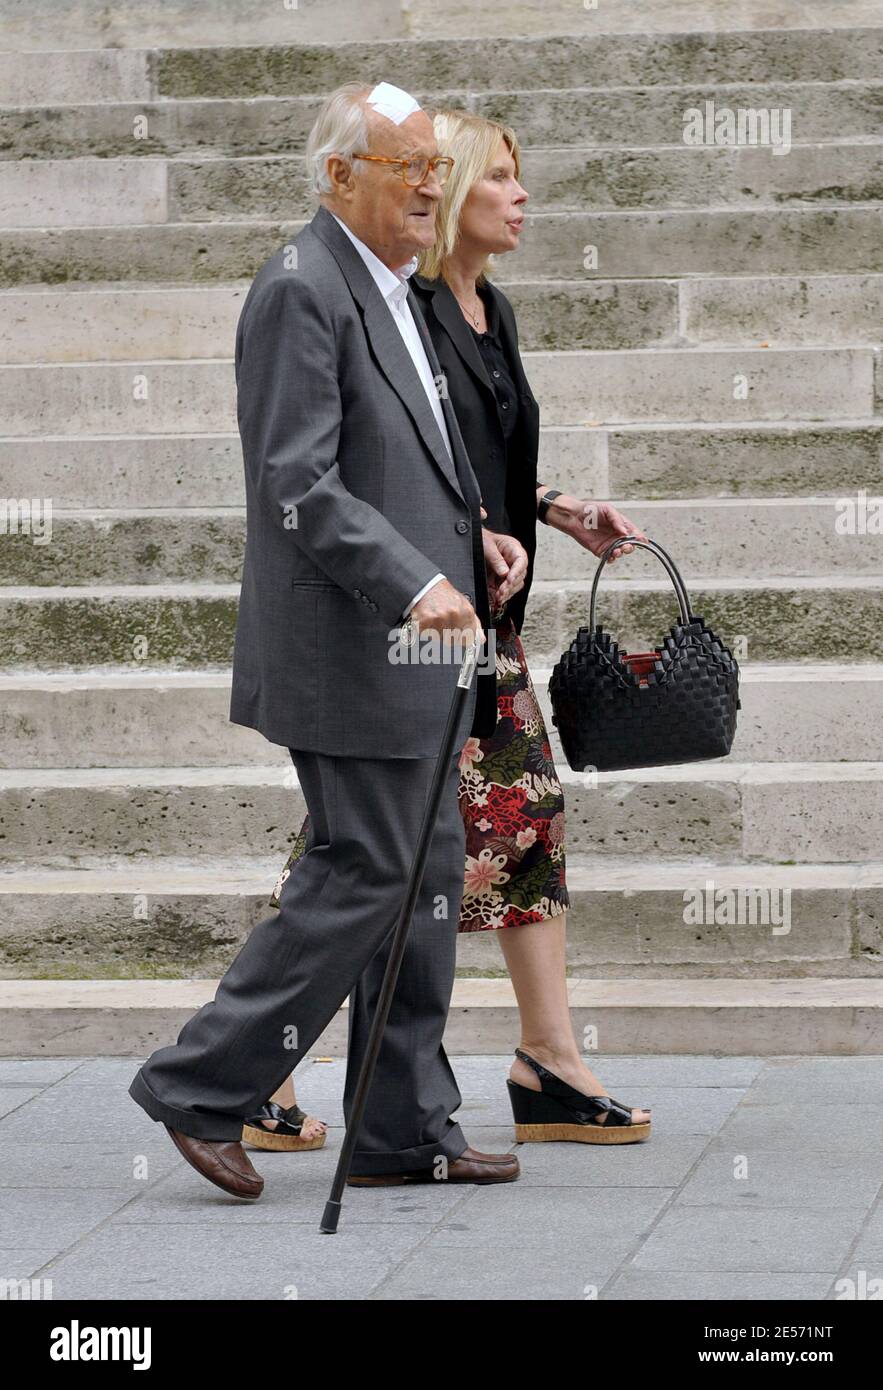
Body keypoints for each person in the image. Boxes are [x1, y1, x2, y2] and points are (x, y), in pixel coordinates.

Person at [128, 81, 534, 1197]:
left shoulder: (393, 288)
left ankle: (404, 1122)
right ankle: (201, 1082)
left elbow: (397, 458)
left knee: (428, 875)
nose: (427, 182)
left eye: (432, 166)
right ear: (335, 177)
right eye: (403, 164)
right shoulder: (302, 288)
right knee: (365, 868)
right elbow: (296, 484)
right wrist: (414, 581)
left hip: (411, 647)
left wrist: (480, 534)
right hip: (348, 646)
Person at [249, 108, 653, 1155]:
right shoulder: (402, 307)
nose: (519, 198)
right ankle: (260, 1067)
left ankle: (542, 1060)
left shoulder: (488, 313)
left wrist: (555, 508)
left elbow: (481, 459)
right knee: (363, 854)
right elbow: (359, 468)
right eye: (500, 179)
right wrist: (438, 562)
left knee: (513, 828)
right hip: (416, 626)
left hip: (481, 620)